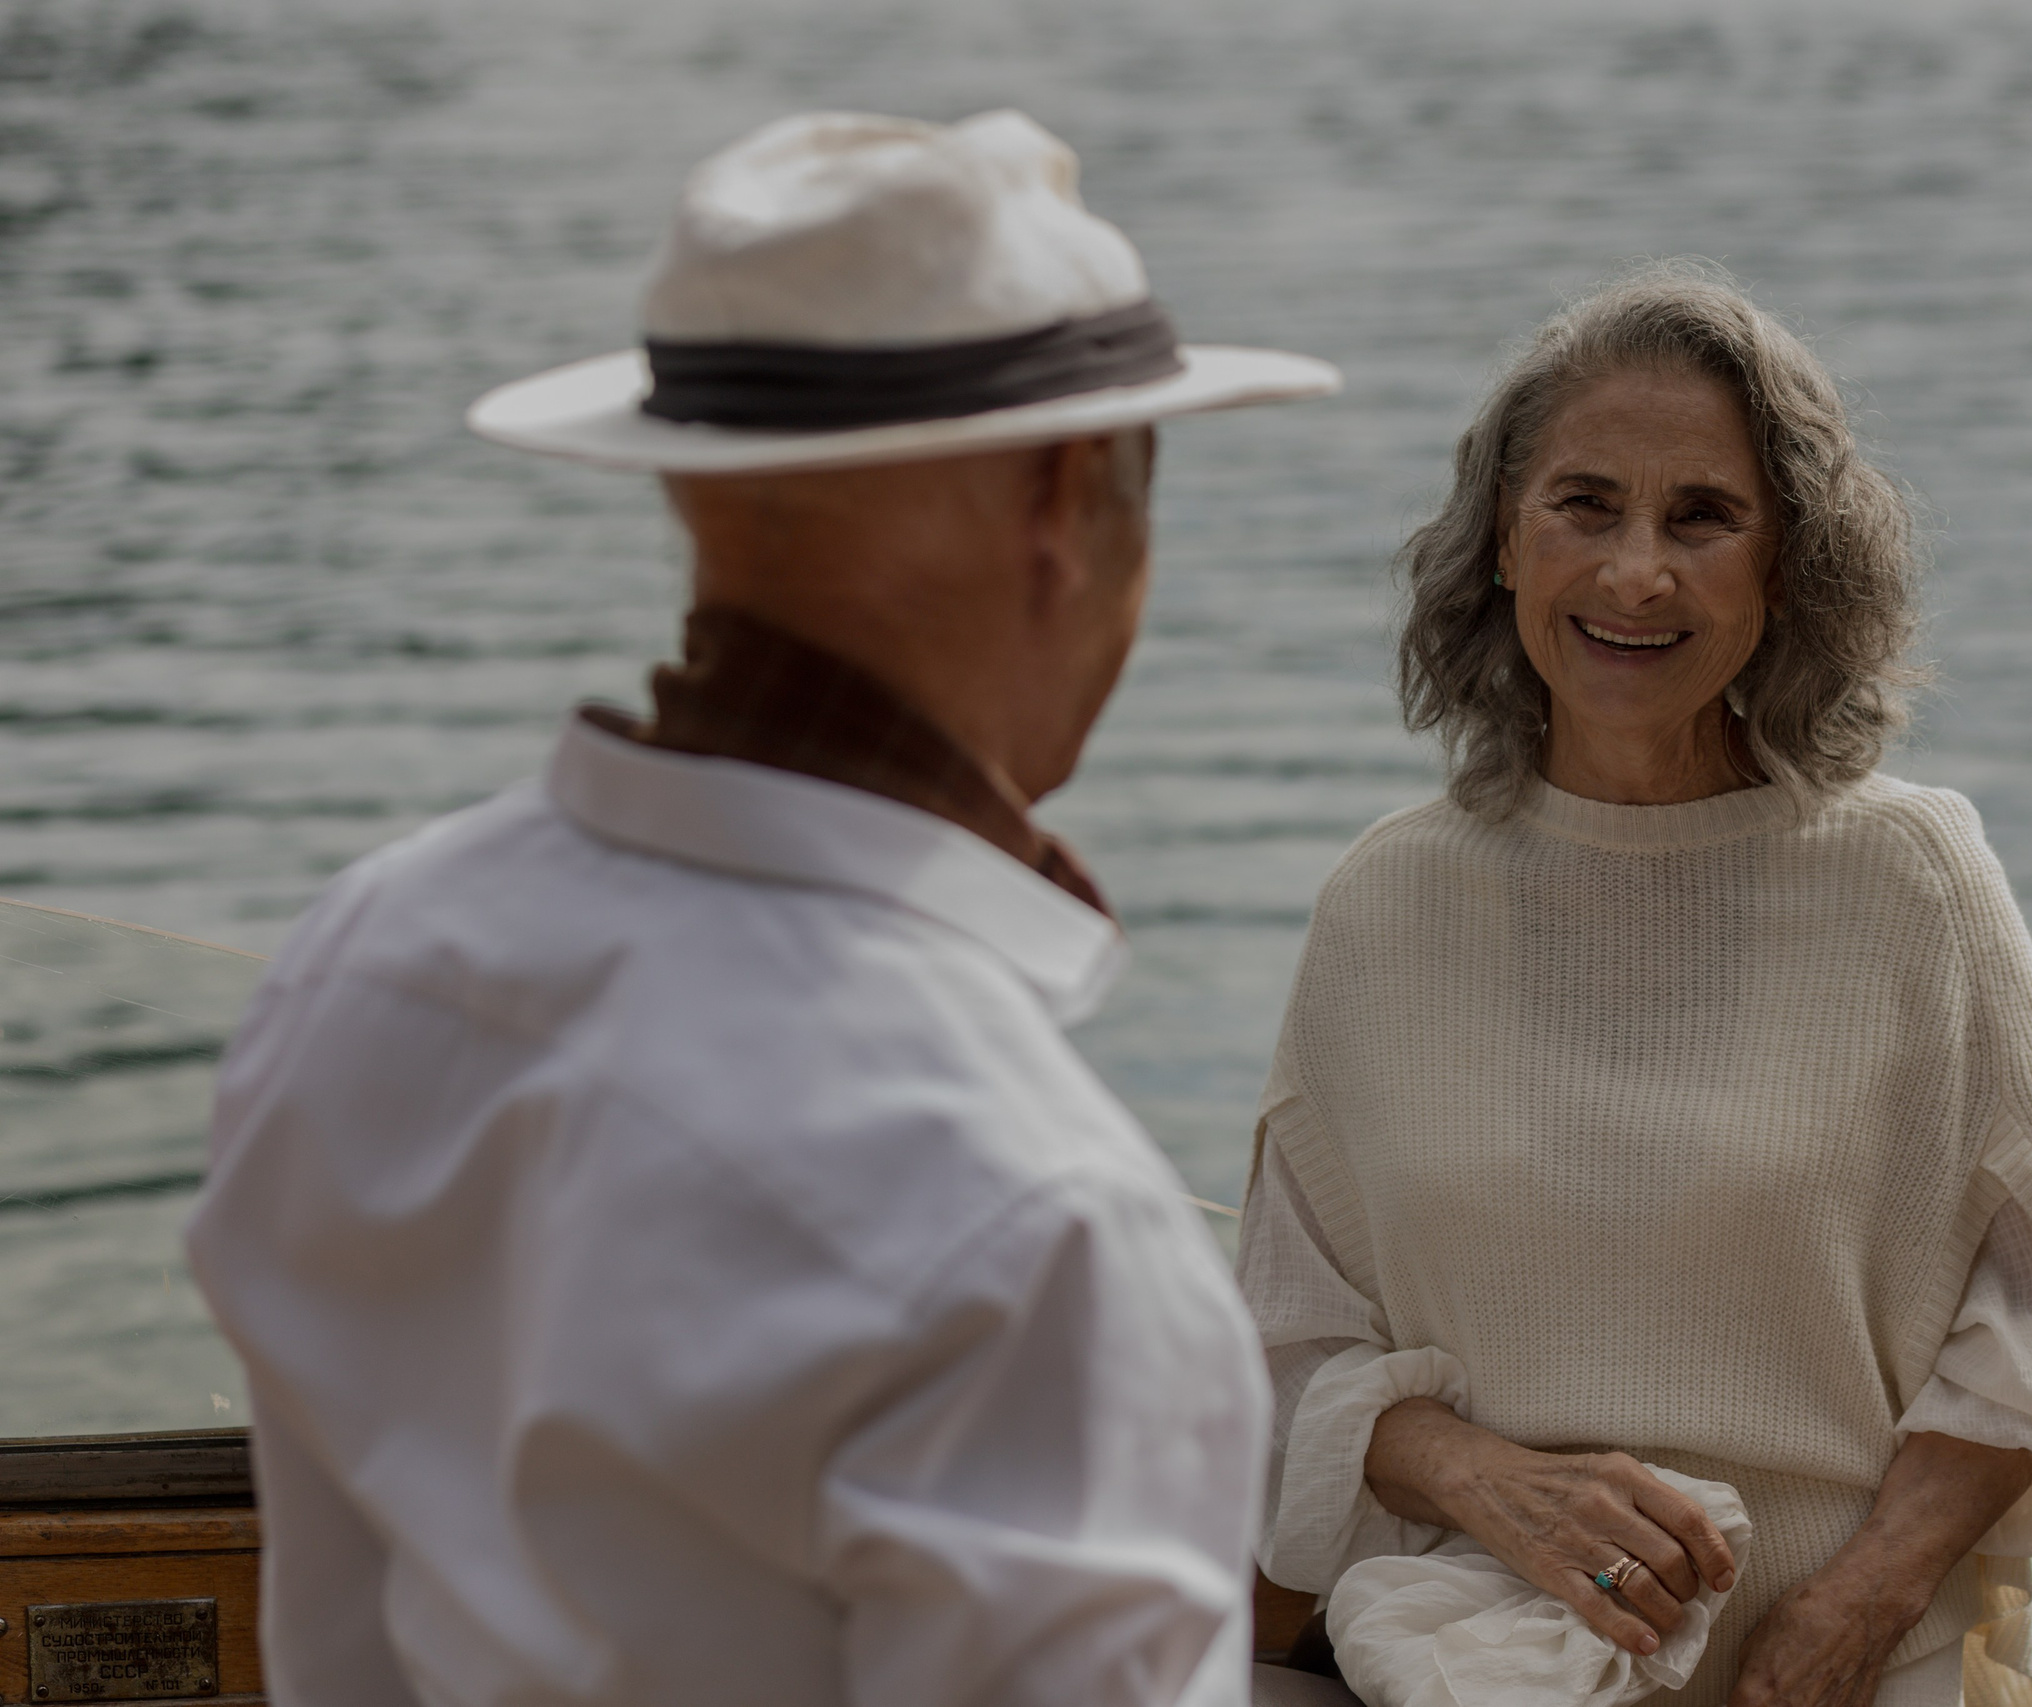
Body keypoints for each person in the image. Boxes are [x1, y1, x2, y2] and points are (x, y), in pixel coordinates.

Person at [186, 109, 1337, 1707]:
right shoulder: (1038, 1227)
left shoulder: (365, 960)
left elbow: (334, 1640)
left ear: (694, 492)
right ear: (1071, 504)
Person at [1239, 263, 2032, 1707]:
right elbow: (1289, 1343)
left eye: (1705, 518)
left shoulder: (1913, 880)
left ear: (1788, 565)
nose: (1635, 573)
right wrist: (1481, 1478)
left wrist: (1859, 1603)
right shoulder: (1384, 902)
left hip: (1849, 1672)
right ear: (1503, 541)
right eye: (1586, 505)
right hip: (1471, 1665)